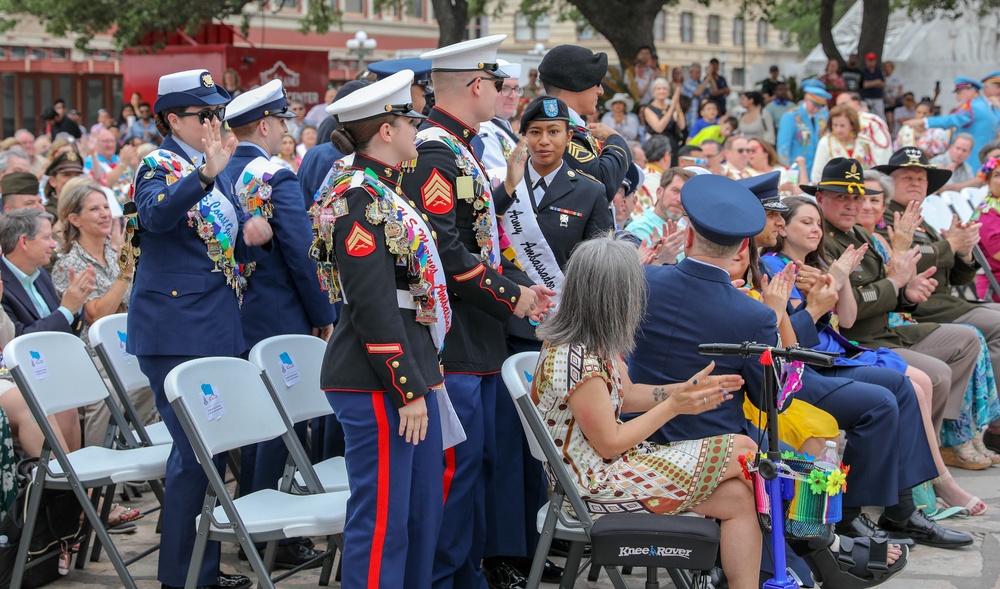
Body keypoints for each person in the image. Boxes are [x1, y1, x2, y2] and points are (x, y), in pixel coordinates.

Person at [628, 174, 916, 578]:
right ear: (742, 245)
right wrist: (776, 313)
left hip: (639, 435)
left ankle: (819, 553)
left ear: (688, 236)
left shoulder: (641, 280)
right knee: (800, 466)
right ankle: (815, 557)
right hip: (713, 446)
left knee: (805, 455)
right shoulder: (753, 313)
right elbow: (773, 400)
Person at [400, 36, 552, 589]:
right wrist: (514, 295)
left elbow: (470, 232)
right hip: (454, 339)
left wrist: (505, 194)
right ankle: (444, 578)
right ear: (475, 86)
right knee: (456, 476)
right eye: (497, 82)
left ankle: (466, 574)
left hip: (477, 336)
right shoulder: (437, 150)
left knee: (477, 469)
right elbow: (445, 252)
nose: (503, 91)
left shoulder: (458, 147)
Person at [533, 235, 762, 589]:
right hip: (594, 487)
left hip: (613, 469)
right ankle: (798, 540)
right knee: (746, 451)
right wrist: (675, 406)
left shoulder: (594, 342)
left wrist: (683, 391)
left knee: (741, 497)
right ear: (615, 297)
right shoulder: (574, 358)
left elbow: (629, 394)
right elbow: (610, 444)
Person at [126, 69, 272, 589]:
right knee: (194, 453)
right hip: (174, 329)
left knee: (209, 451)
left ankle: (197, 569)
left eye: (217, 114)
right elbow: (157, 218)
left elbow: (216, 243)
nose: (214, 123)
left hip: (215, 324)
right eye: (203, 115)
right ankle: (183, 577)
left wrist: (255, 232)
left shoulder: (211, 166)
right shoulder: (159, 165)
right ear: (171, 119)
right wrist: (206, 177)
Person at [308, 69, 446, 589]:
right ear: (386, 129)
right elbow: (370, 305)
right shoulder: (359, 199)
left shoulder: (386, 191)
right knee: (382, 519)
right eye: (411, 119)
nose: (418, 128)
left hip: (406, 368)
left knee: (414, 515)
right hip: (377, 379)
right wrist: (406, 387)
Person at [484, 95, 614, 586]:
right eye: (534, 132)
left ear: (569, 137)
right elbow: (486, 249)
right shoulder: (503, 189)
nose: (543, 142)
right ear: (523, 137)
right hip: (508, 333)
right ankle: (505, 554)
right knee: (511, 446)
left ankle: (541, 541)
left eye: (553, 132)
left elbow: (599, 266)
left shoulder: (589, 192)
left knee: (553, 443)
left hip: (562, 339)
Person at [221, 79, 335, 569]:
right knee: (281, 424)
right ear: (264, 125)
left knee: (253, 424)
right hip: (279, 315)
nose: (284, 130)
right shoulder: (275, 176)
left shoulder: (219, 172)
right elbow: (301, 252)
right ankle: (269, 539)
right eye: (282, 122)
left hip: (235, 313)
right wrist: (322, 314)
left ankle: (251, 527)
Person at [862, 169, 1000, 480]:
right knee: (977, 335)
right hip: (919, 312)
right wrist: (949, 245)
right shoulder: (883, 219)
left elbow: (953, 276)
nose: (915, 183)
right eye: (907, 177)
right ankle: (963, 432)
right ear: (891, 182)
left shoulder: (922, 223)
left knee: (976, 335)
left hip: (940, 304)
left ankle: (973, 429)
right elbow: (910, 262)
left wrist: (962, 251)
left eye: (921, 179)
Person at [50, 180, 154, 449]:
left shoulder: (115, 253)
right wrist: (124, 275)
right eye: (95, 209)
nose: (105, 213)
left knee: (160, 373)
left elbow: (127, 306)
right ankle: (103, 469)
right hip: (93, 355)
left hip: (128, 345)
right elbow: (97, 316)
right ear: (75, 219)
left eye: (106, 207)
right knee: (109, 390)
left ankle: (138, 450)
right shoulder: (68, 264)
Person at [538, 45, 632, 202]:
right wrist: (615, 139)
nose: (600, 91)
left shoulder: (563, 126)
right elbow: (603, 183)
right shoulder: (556, 130)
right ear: (577, 84)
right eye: (596, 83)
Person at [909, 78, 1000, 166]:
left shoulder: (972, 106)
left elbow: (952, 120)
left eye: (959, 92)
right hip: (982, 158)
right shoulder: (987, 106)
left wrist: (924, 121)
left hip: (970, 158)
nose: (957, 97)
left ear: (971, 91)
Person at [478, 59, 524, 171]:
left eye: (516, 89)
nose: (513, 96)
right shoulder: (484, 129)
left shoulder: (501, 125)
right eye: (504, 88)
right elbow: (501, 180)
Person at [811, 105, 875, 183]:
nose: (838, 129)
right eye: (835, 125)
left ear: (852, 125)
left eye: (842, 126)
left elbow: (871, 170)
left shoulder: (864, 142)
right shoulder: (826, 142)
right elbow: (817, 175)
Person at [777, 84, 830, 173]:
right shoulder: (791, 116)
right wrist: (787, 169)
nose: (817, 108)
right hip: (797, 171)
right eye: (815, 104)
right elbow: (783, 146)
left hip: (817, 171)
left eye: (820, 106)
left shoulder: (821, 117)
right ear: (806, 99)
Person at [837, 91, 895, 166]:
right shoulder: (838, 126)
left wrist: (878, 174)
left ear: (856, 103)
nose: (840, 108)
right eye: (838, 106)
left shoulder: (872, 122)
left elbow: (883, 151)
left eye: (843, 104)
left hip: (871, 173)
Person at [85, 129, 139, 205]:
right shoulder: (91, 161)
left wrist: (135, 166)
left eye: (112, 141)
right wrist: (123, 163)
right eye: (105, 141)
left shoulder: (118, 159)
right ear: (96, 143)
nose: (110, 145)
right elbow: (105, 183)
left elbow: (132, 180)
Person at [639, 78, 686, 162]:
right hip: (657, 145)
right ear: (654, 91)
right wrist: (671, 108)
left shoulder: (670, 107)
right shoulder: (649, 109)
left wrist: (677, 103)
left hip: (672, 145)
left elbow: (682, 126)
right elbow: (659, 128)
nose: (662, 91)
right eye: (659, 89)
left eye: (664, 89)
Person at [974, 155, 1000, 301]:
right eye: (997, 175)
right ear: (987, 181)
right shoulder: (987, 211)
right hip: (995, 286)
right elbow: (997, 252)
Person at [42, 150, 84, 220]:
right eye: (67, 175)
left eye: (77, 175)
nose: (73, 180)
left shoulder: (85, 207)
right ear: (52, 181)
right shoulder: (47, 213)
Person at [860, 52, 887, 119]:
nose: (871, 63)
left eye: (873, 60)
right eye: (870, 60)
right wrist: (876, 82)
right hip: (866, 97)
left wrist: (871, 83)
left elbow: (883, 83)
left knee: (881, 116)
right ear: (866, 61)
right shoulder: (863, 71)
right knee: (867, 115)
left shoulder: (878, 71)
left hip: (878, 97)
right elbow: (864, 84)